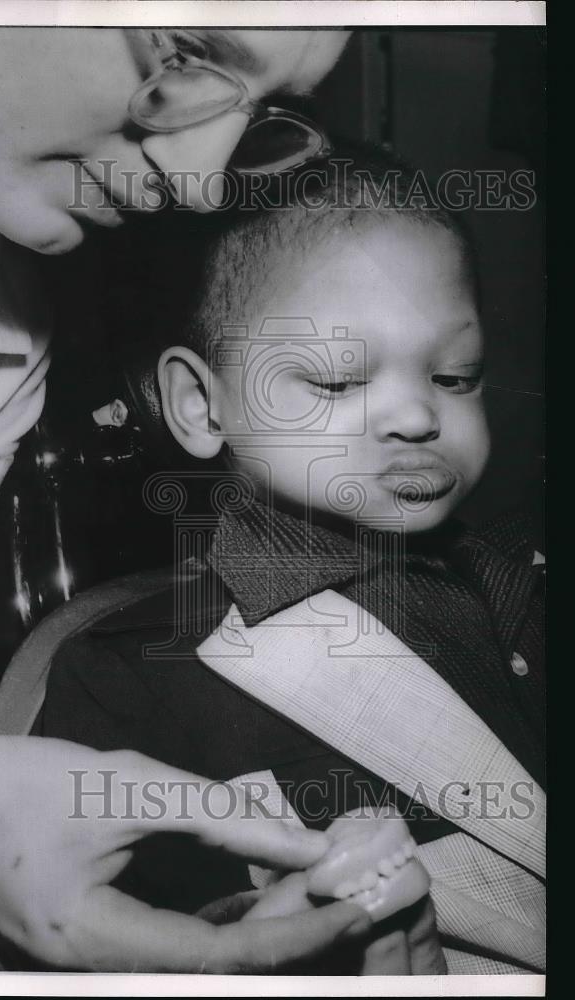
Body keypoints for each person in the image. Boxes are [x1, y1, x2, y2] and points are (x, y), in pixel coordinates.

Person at [0, 25, 425, 972]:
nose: (204, 178)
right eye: (185, 51)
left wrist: (153, 950)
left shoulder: (1, 294)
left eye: (260, 112)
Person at [40, 149, 545, 974]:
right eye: (340, 379)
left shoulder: (526, 580)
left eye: (456, 375)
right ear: (203, 405)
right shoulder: (126, 675)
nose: (419, 413)